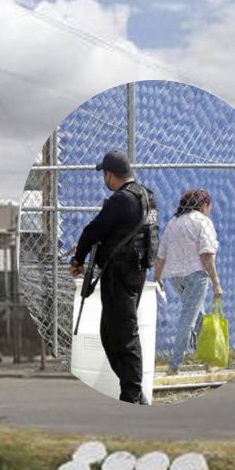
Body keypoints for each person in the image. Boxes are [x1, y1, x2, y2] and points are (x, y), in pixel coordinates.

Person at [69, 150, 158, 405]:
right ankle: (132, 389)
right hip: (137, 271)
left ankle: (132, 394)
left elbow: (92, 230)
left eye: (104, 175)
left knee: (124, 334)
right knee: (110, 332)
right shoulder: (148, 197)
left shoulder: (122, 200)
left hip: (119, 274)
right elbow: (144, 231)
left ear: (109, 175)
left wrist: (78, 260)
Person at [153, 189, 222, 375]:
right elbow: (207, 255)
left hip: (175, 278)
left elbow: (161, 256)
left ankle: (209, 361)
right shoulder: (203, 222)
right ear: (203, 205)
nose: (209, 211)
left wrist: (157, 278)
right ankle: (174, 365)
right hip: (196, 276)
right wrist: (216, 283)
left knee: (198, 316)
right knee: (188, 319)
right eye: (209, 207)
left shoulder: (173, 223)